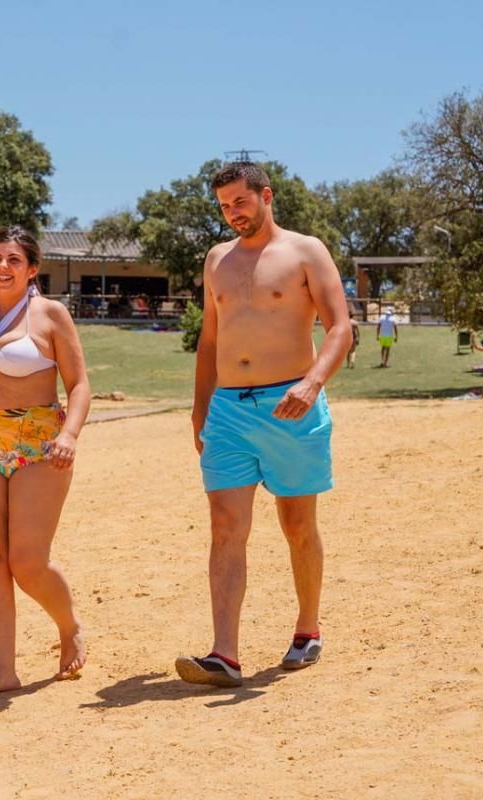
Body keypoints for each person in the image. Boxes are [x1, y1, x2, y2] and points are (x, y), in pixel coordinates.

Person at [178, 162, 352, 688]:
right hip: (228, 410)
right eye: (224, 206)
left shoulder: (306, 251)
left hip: (291, 406)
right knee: (225, 526)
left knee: (297, 526)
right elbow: (210, 342)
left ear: (266, 196)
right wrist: (198, 407)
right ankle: (224, 655)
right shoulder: (216, 261)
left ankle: (307, 628)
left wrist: (313, 383)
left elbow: (341, 326)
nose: (233, 213)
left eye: (240, 202)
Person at [0, 225, 91, 700]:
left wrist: (70, 434)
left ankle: (68, 624)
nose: (2, 267)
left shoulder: (51, 315)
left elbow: (79, 385)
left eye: (13, 260)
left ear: (32, 269)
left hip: (39, 444)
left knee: (27, 562)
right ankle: (3, 670)